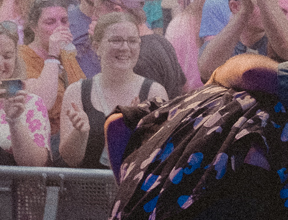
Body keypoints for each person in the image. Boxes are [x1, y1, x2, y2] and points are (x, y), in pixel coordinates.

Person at [59, 11, 167, 168]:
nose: (125, 47)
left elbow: (160, 158)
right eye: (116, 40)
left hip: (131, 183)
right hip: (86, 183)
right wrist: (80, 133)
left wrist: (136, 132)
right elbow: (71, 159)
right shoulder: (77, 92)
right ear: (97, 47)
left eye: (132, 41)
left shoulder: (154, 92)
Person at [0, 23, 50, 166]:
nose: (1, 64)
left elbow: (36, 165)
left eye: (7, 57)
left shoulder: (32, 103)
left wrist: (14, 121)